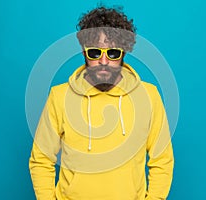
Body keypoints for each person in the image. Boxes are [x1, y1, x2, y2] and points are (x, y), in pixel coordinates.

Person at [29, 6, 174, 200]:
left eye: (113, 53)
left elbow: (162, 160)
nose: (104, 61)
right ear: (84, 52)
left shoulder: (149, 96)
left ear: (123, 52)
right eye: (95, 53)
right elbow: (41, 160)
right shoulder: (59, 96)